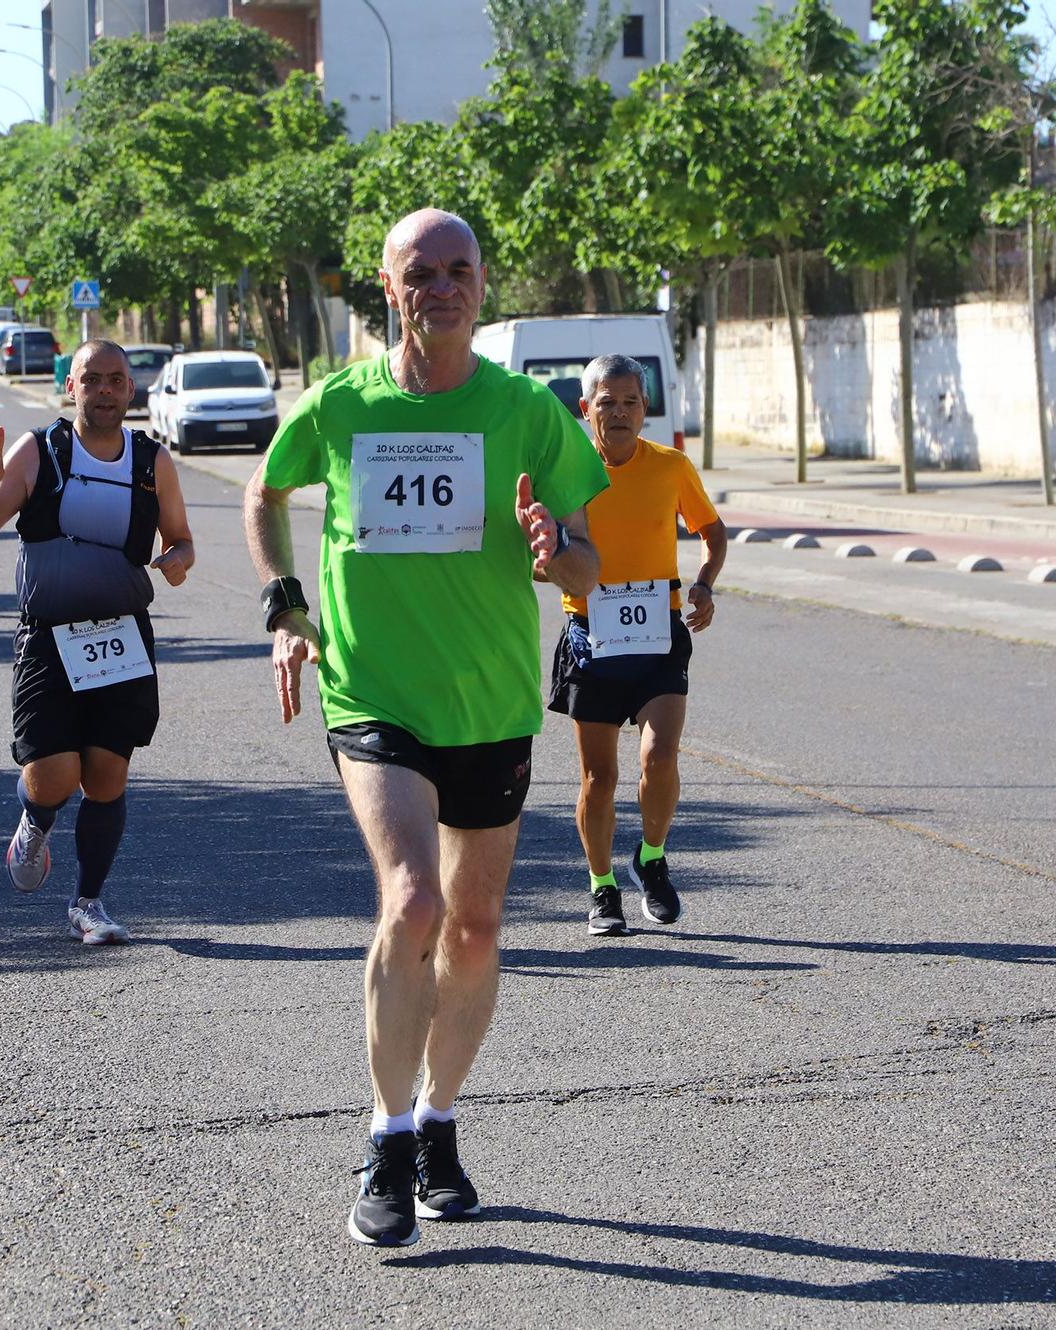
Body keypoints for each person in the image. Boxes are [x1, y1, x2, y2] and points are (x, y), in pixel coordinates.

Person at [242, 209, 606, 1248]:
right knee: (411, 903)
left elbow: (586, 563)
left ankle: (441, 1116)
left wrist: (554, 554)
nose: (441, 287)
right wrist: (283, 601)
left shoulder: (529, 411)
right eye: (420, 272)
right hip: (372, 695)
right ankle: (387, 1136)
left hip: (487, 702)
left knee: (476, 928)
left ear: (481, 286)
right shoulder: (341, 404)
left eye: (459, 270)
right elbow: (264, 494)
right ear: (388, 287)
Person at [0, 340, 195, 946]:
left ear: (130, 391)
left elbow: (183, 540)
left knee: (108, 773)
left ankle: (88, 902)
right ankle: (35, 821)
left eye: (117, 379)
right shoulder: (40, 451)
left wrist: (175, 560)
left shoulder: (151, 461)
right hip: (48, 638)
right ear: (71, 386)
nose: (106, 389)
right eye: (93, 379)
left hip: (120, 634)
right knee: (55, 776)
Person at [548, 355, 727, 937]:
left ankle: (651, 857)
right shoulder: (565, 472)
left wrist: (703, 584)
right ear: (585, 409)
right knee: (600, 778)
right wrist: (546, 564)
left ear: (645, 411)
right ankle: (602, 888)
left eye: (630, 402)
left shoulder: (670, 467)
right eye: (607, 402)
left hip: (660, 633)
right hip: (590, 636)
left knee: (661, 756)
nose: (619, 412)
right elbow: (536, 555)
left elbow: (712, 530)